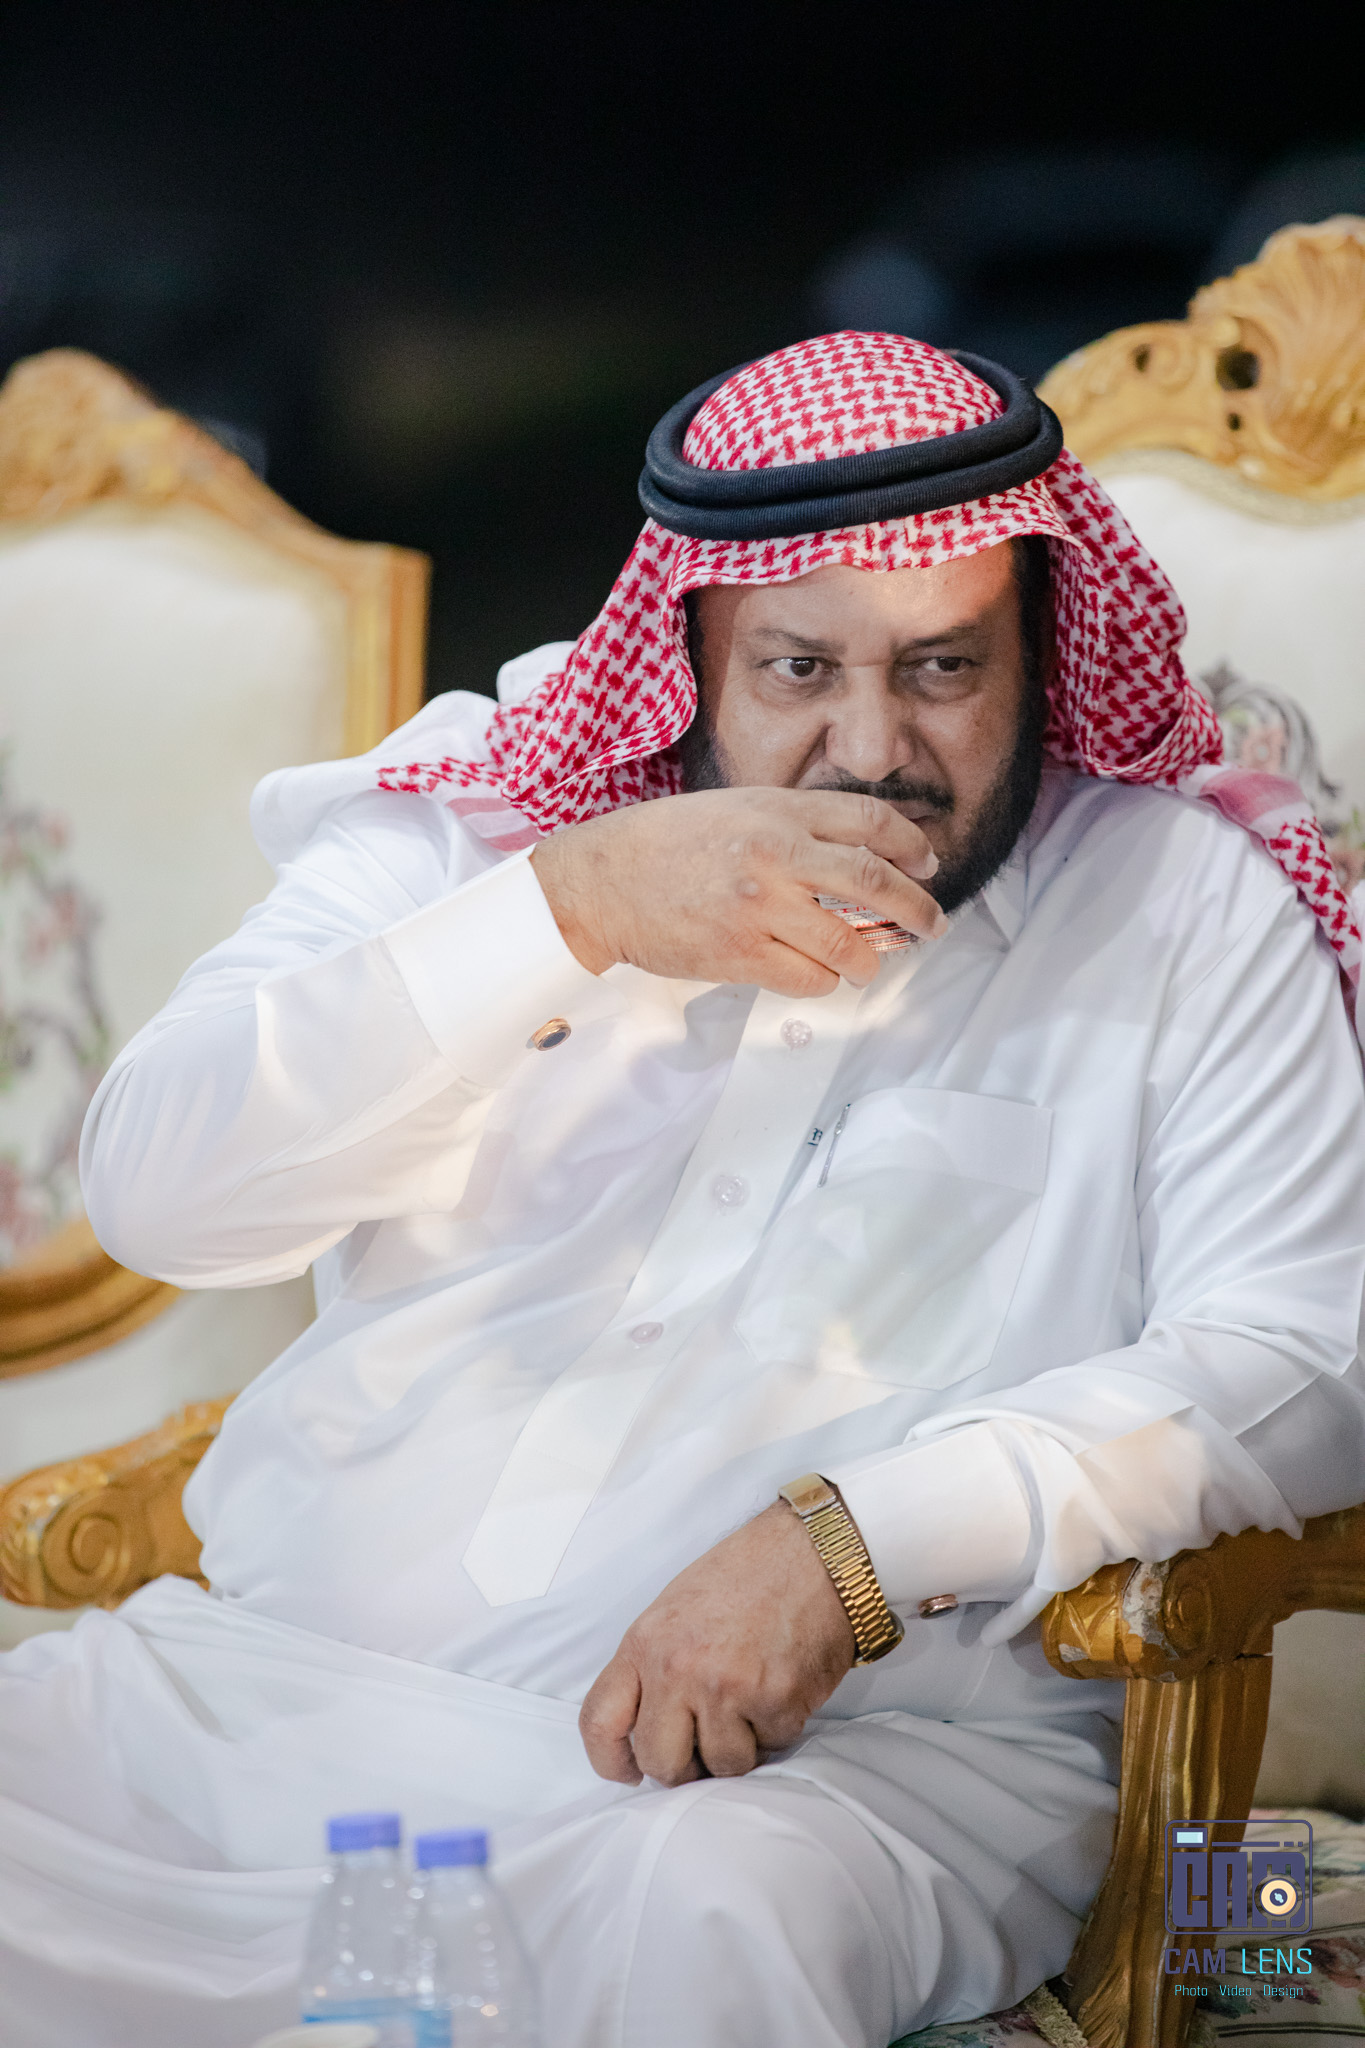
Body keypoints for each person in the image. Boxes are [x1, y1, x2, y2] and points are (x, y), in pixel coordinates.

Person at [2, 332, 1364, 2048]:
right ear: (689, 644)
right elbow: (160, 1197)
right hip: (241, 1715)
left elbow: (1300, 1357)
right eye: (797, 669)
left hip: (798, 1794)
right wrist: (566, 912)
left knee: (720, 1916)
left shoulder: (1177, 906)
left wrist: (856, 1542)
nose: (871, 747)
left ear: (1039, 644)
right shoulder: (493, 820)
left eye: (944, 667)